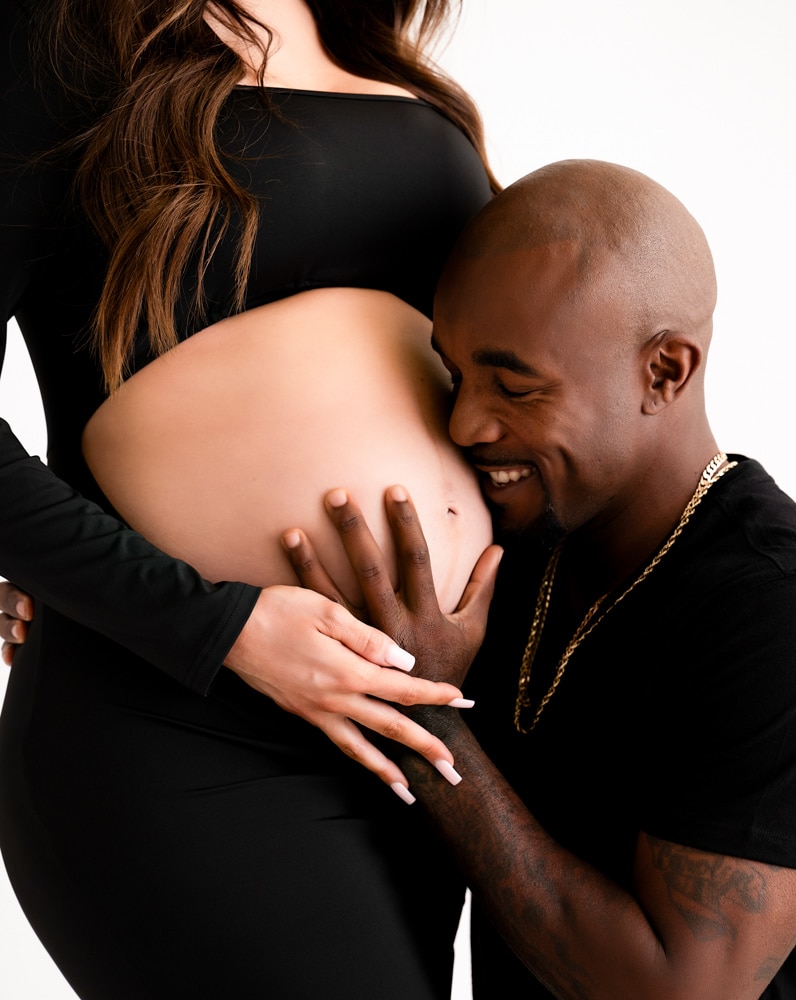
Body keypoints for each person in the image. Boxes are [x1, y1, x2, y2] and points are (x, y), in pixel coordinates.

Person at [0, 1, 497, 996]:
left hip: (434, 735)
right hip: (179, 717)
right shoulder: (54, 40)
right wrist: (219, 625)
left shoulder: (371, 44)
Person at [284, 160, 796, 998]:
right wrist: (111, 600)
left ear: (664, 371)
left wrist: (432, 723)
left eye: (515, 387)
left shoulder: (769, 612)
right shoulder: (522, 536)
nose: (465, 422)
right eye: (454, 375)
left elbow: (679, 994)